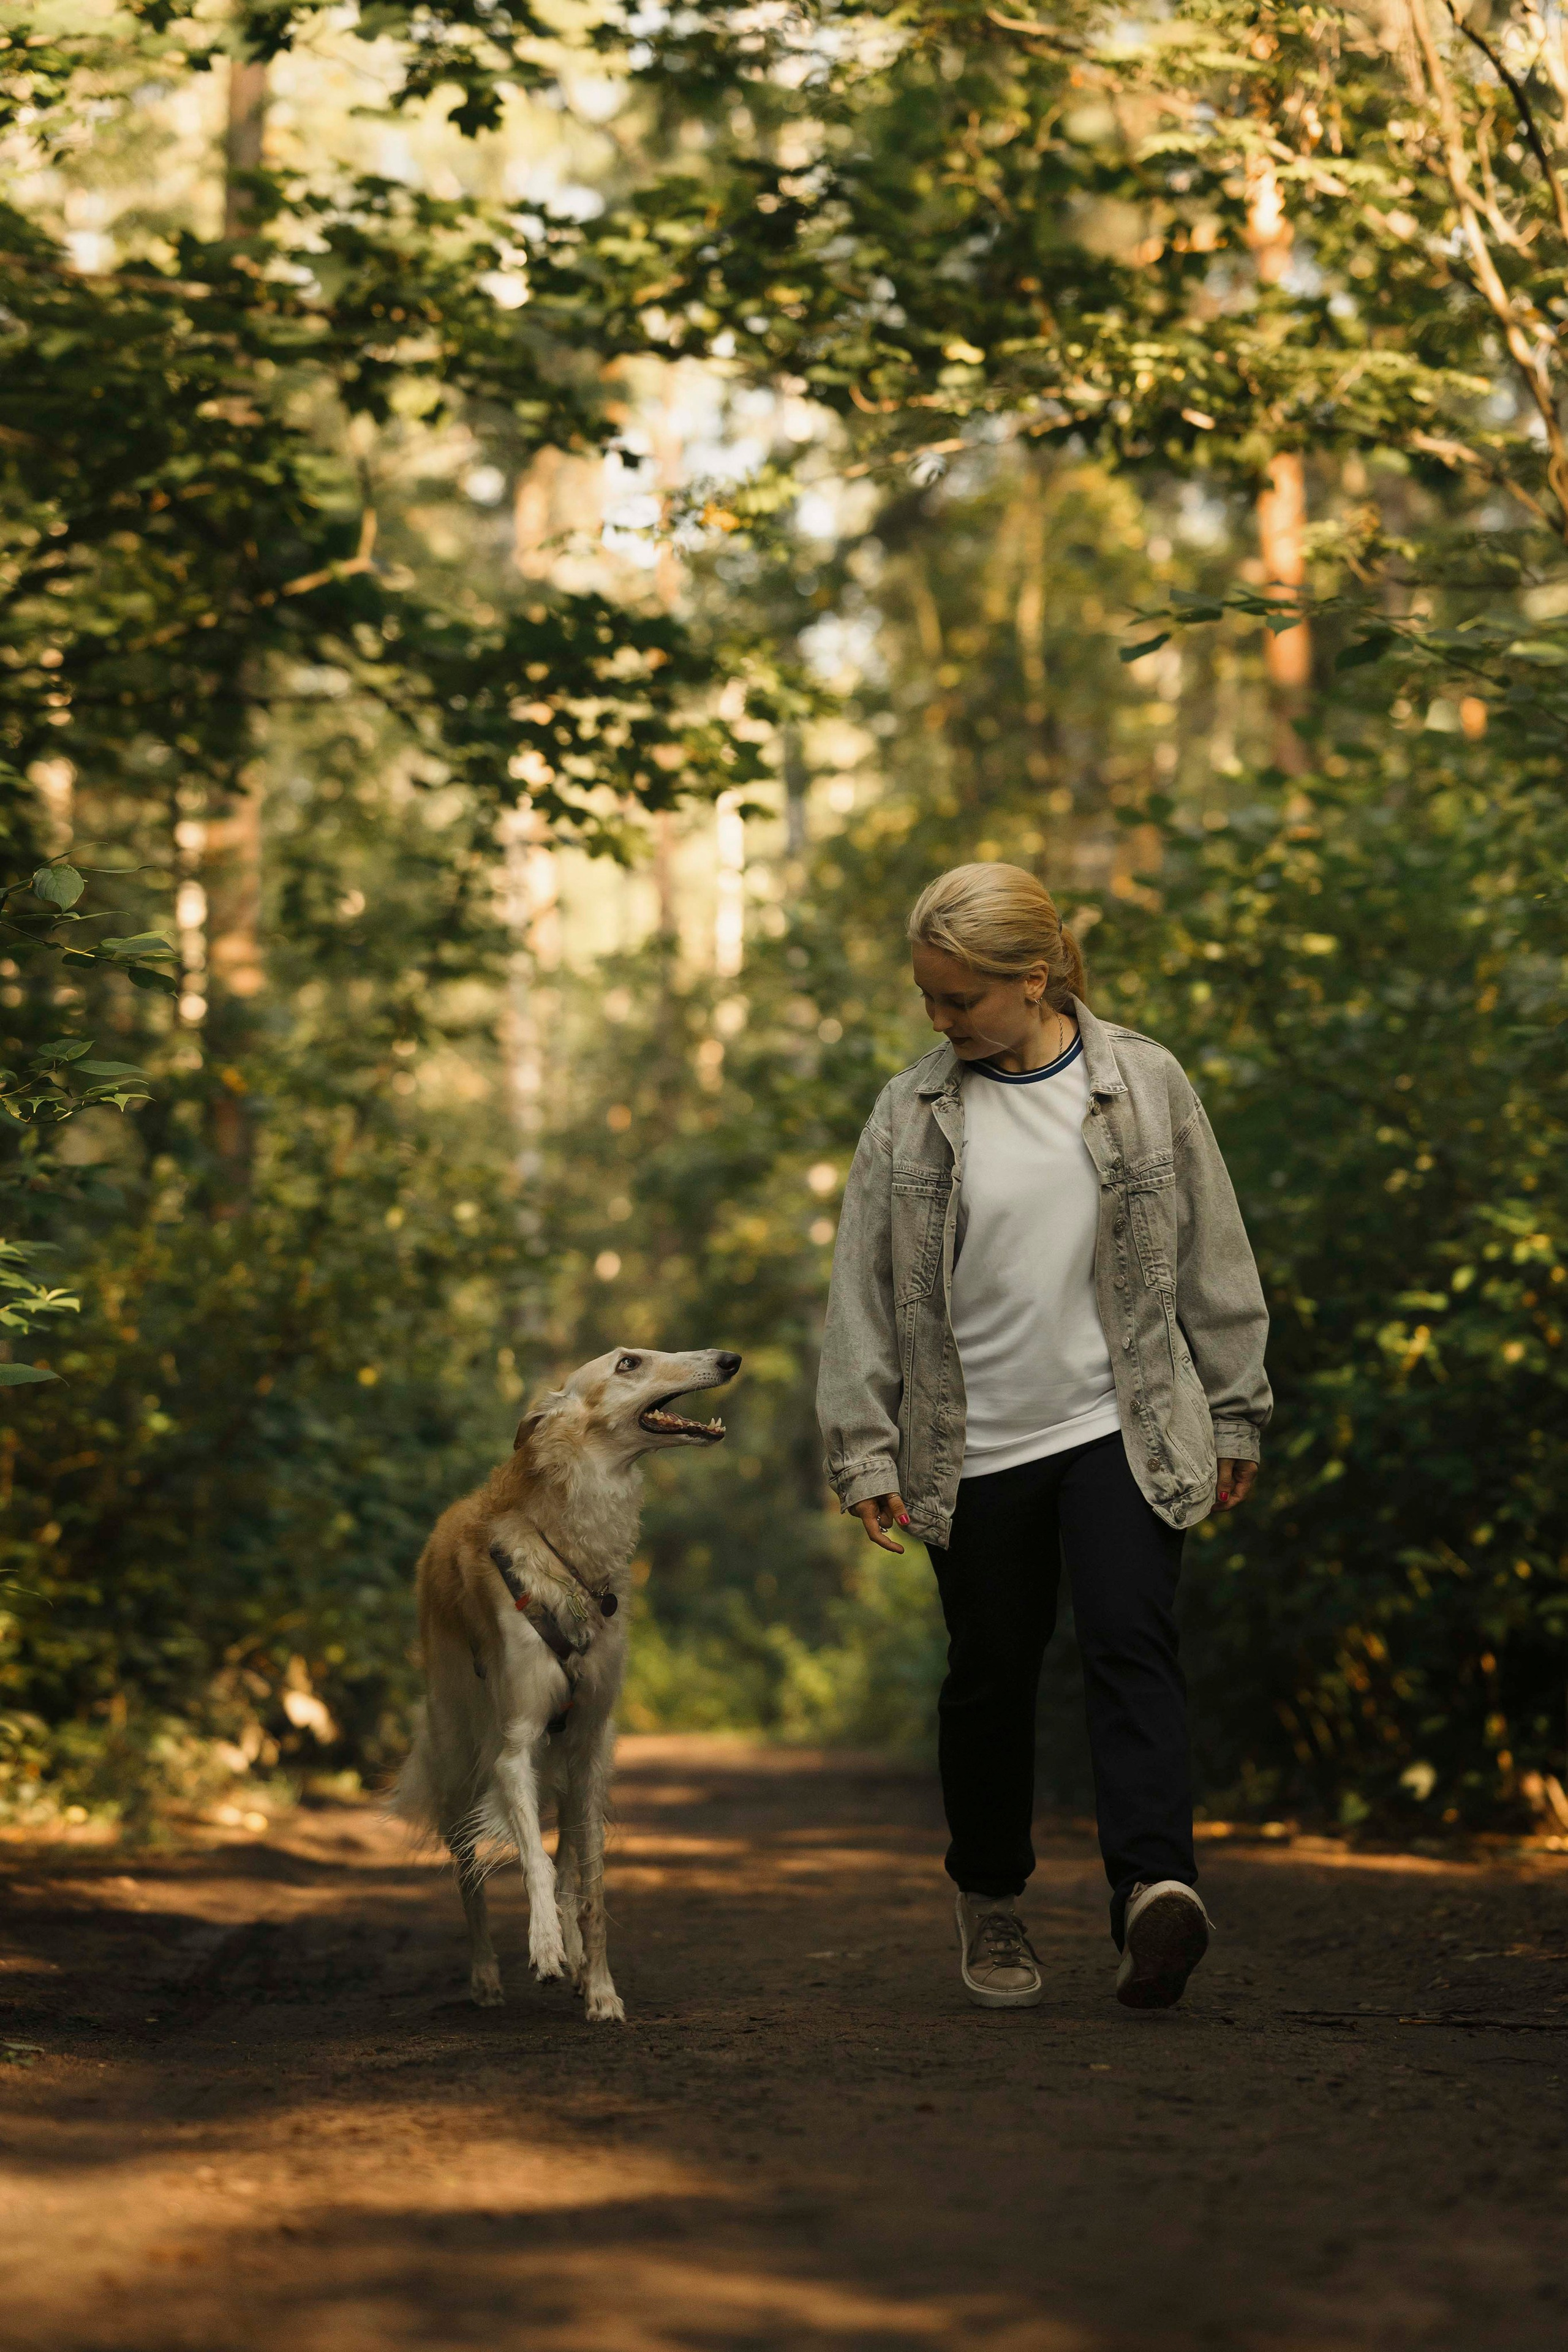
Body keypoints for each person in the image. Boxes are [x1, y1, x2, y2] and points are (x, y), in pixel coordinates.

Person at [817, 862, 1270, 2011]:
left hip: (1121, 1423)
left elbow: (1212, 1255)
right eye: (928, 996)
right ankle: (993, 1897)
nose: (939, 1018)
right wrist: (864, 1448)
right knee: (991, 1678)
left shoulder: (1144, 1083)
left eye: (958, 998)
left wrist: (1233, 1405)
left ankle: (1153, 1891)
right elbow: (863, 1298)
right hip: (972, 1447)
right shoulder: (910, 1114)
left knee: (1132, 1641)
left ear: (1036, 979)